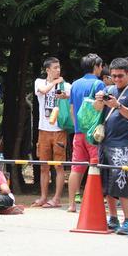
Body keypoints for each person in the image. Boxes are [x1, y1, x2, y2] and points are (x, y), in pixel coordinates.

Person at [93, 58, 128, 235]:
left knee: (121, 182)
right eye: (113, 76)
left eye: (120, 76)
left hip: (122, 143)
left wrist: (118, 105)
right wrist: (99, 100)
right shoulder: (108, 89)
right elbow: (97, 109)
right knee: (107, 183)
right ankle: (113, 218)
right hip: (104, 141)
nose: (116, 79)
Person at [67, 53, 106, 213]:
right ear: (96, 66)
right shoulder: (99, 84)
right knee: (95, 166)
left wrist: (78, 126)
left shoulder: (75, 84)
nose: (101, 69)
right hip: (94, 134)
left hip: (78, 133)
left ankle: (71, 204)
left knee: (76, 168)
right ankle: (95, 202)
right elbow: (101, 107)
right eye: (101, 66)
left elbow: (71, 109)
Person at [32, 57, 70, 208]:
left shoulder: (66, 85)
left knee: (59, 166)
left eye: (59, 67)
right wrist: (55, 82)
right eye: (55, 68)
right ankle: (43, 197)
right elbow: (42, 91)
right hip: (43, 129)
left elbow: (71, 97)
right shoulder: (39, 82)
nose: (58, 70)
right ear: (47, 70)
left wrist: (65, 96)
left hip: (59, 129)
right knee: (43, 166)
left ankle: (57, 198)